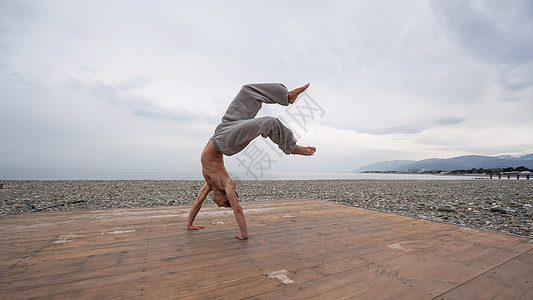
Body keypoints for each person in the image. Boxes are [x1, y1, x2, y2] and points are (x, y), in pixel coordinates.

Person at [187, 83, 316, 239]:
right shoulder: (227, 185)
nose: (218, 204)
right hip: (224, 140)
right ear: (227, 196)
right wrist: (244, 234)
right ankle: (291, 137)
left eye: (219, 205)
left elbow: (197, 203)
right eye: (222, 204)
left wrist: (189, 224)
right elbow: (238, 209)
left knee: (258, 106)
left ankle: (288, 126)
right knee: (258, 107)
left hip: (221, 135)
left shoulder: (209, 184)